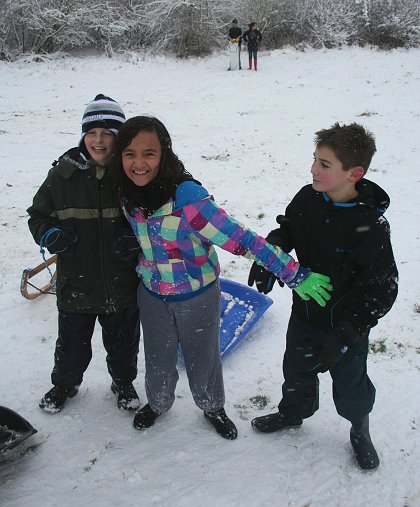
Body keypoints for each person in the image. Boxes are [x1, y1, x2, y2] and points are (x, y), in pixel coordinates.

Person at [111, 115, 333, 440]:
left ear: (164, 153)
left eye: (149, 153)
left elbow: (243, 240)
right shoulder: (125, 193)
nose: (138, 163)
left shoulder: (189, 202)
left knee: (203, 360)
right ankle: (158, 403)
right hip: (152, 295)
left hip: (196, 297)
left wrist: (294, 273)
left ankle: (212, 406)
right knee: (158, 358)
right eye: (130, 153)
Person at [248, 123, 398, 469]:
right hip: (304, 315)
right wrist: (272, 255)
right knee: (296, 371)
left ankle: (359, 428)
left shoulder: (370, 226)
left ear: (354, 173)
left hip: (345, 327)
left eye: (325, 164)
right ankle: (293, 413)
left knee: (351, 386)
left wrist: (346, 334)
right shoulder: (307, 199)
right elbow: (288, 230)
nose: (314, 169)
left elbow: (383, 288)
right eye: (314, 160)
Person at [27, 94, 141, 413]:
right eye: (92, 133)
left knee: (123, 343)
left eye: (108, 133)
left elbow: (156, 218)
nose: (99, 141)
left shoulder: (133, 173)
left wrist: (135, 238)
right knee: (72, 345)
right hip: (77, 280)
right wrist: (49, 233)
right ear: (83, 135)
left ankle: (123, 382)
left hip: (122, 281)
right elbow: (38, 214)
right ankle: (65, 384)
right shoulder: (63, 175)